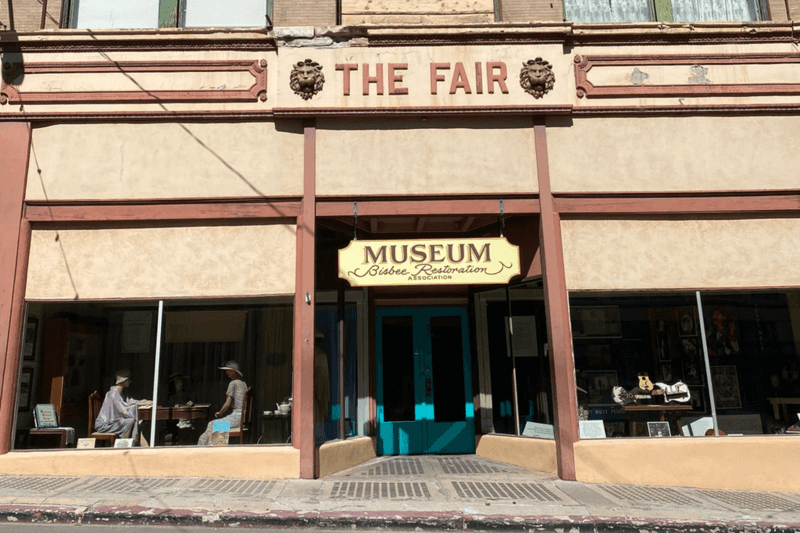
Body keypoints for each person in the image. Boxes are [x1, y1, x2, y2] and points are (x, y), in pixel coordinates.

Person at [197, 361, 247, 446]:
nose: (226, 372)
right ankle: (207, 446)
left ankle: (208, 447)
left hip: (238, 417)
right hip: (243, 417)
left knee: (213, 424)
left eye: (228, 370)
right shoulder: (243, 384)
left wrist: (220, 413)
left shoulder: (233, 383)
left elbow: (228, 403)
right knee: (213, 425)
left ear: (234, 371)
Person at [95, 369, 150, 445]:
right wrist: (138, 406)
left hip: (115, 422)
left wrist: (144, 402)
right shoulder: (113, 394)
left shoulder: (122, 393)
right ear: (123, 381)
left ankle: (140, 445)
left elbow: (130, 402)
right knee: (131, 421)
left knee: (138, 423)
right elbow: (123, 410)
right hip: (105, 424)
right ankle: (123, 444)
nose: (130, 381)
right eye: (128, 379)